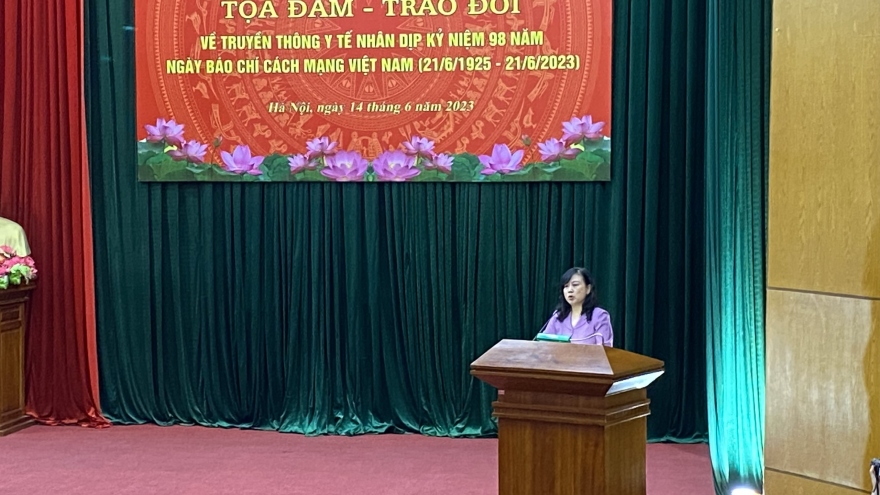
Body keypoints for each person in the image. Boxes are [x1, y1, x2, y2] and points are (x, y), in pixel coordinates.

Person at [539, 267, 613, 347]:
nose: (570, 290)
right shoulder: (557, 317)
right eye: (566, 286)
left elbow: (605, 350)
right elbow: (543, 346)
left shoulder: (599, 316)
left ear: (588, 288)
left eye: (575, 285)